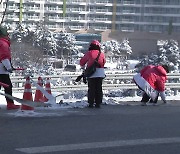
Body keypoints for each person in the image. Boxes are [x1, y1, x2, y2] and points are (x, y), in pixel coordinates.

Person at [80, 40, 106, 108]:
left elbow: (82, 62)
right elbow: (103, 62)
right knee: (99, 88)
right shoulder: (102, 54)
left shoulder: (89, 53)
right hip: (100, 73)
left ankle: (91, 103)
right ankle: (98, 103)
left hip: (92, 73)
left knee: (91, 88)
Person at [0, 26, 20, 110]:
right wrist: (9, 67)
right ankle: (10, 104)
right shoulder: (3, 43)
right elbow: (4, 56)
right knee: (8, 86)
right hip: (2, 70)